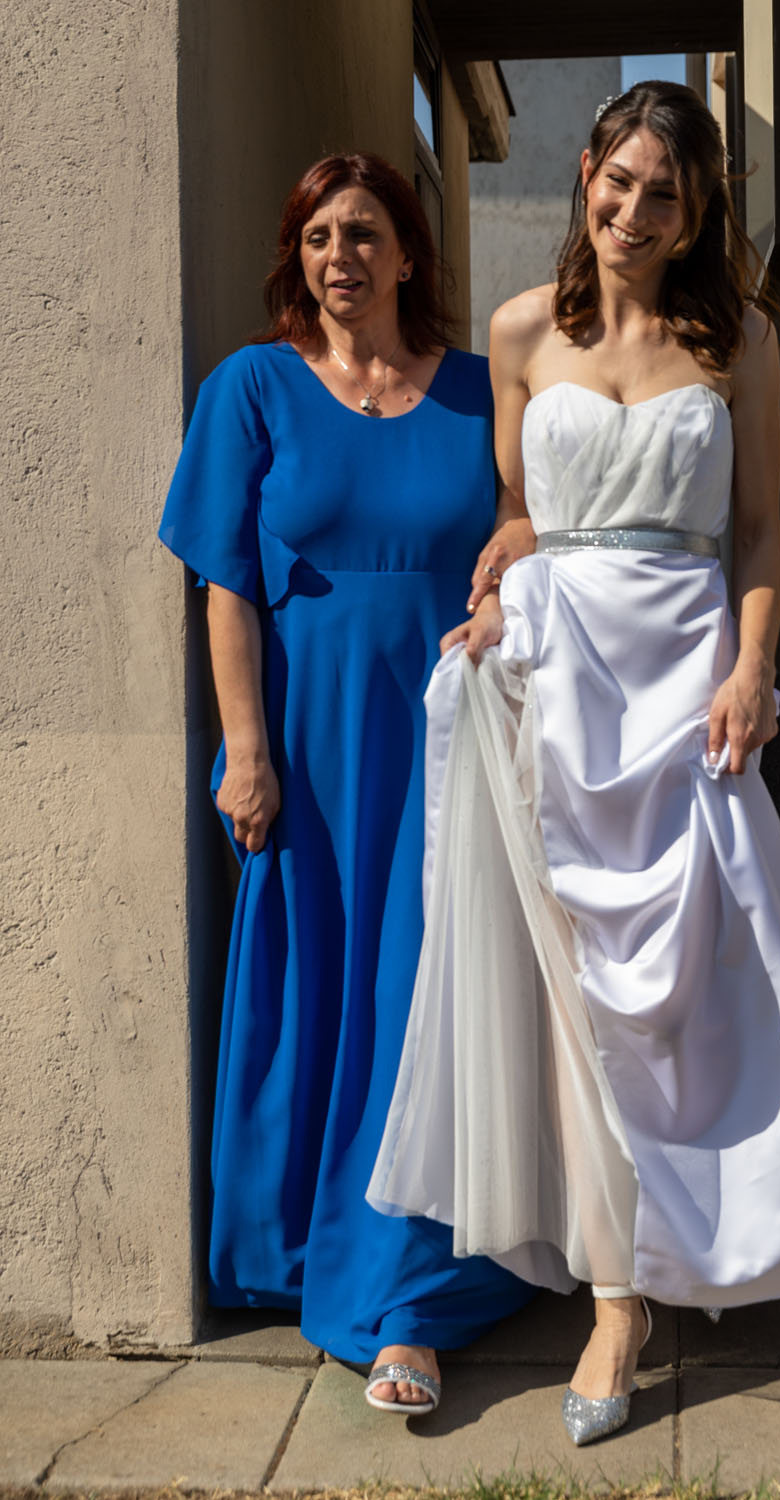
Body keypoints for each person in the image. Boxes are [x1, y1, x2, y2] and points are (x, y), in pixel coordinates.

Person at [368, 84, 780, 1443]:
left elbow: (759, 531)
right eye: (619, 180)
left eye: (666, 193)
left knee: (702, 985)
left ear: (698, 211)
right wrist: (501, 580)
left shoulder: (741, 339)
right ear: (587, 171)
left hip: (685, 684)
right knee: (573, 998)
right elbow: (526, 510)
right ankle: (615, 1298)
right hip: (552, 683)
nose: (634, 212)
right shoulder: (517, 331)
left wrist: (753, 668)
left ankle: (707, 1239)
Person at [158, 152, 536, 1415]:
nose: (341, 257)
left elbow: (538, 527)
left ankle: (403, 1306)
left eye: (365, 233)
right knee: (314, 988)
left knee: (417, 1006)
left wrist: (514, 556)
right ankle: (294, 1253)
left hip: (446, 749)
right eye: (320, 236)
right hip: (309, 757)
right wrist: (245, 751)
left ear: (409, 254)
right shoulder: (252, 386)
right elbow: (224, 583)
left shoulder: (479, 392)